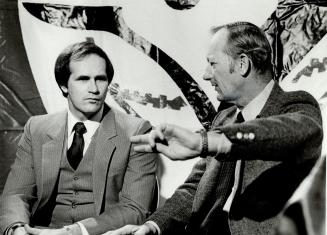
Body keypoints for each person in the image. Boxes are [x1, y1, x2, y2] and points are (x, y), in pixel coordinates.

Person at [107, 22, 323, 235]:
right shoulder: (224, 119)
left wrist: (212, 142)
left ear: (242, 64)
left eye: (212, 63)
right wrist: (152, 226)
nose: (205, 75)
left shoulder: (297, 106)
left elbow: (293, 131)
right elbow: (194, 189)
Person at [0, 41, 158, 235]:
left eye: (100, 79)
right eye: (83, 79)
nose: (94, 88)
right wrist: (16, 230)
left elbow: (135, 209)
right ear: (64, 85)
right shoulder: (37, 128)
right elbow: (16, 193)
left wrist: (75, 231)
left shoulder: (136, 131)